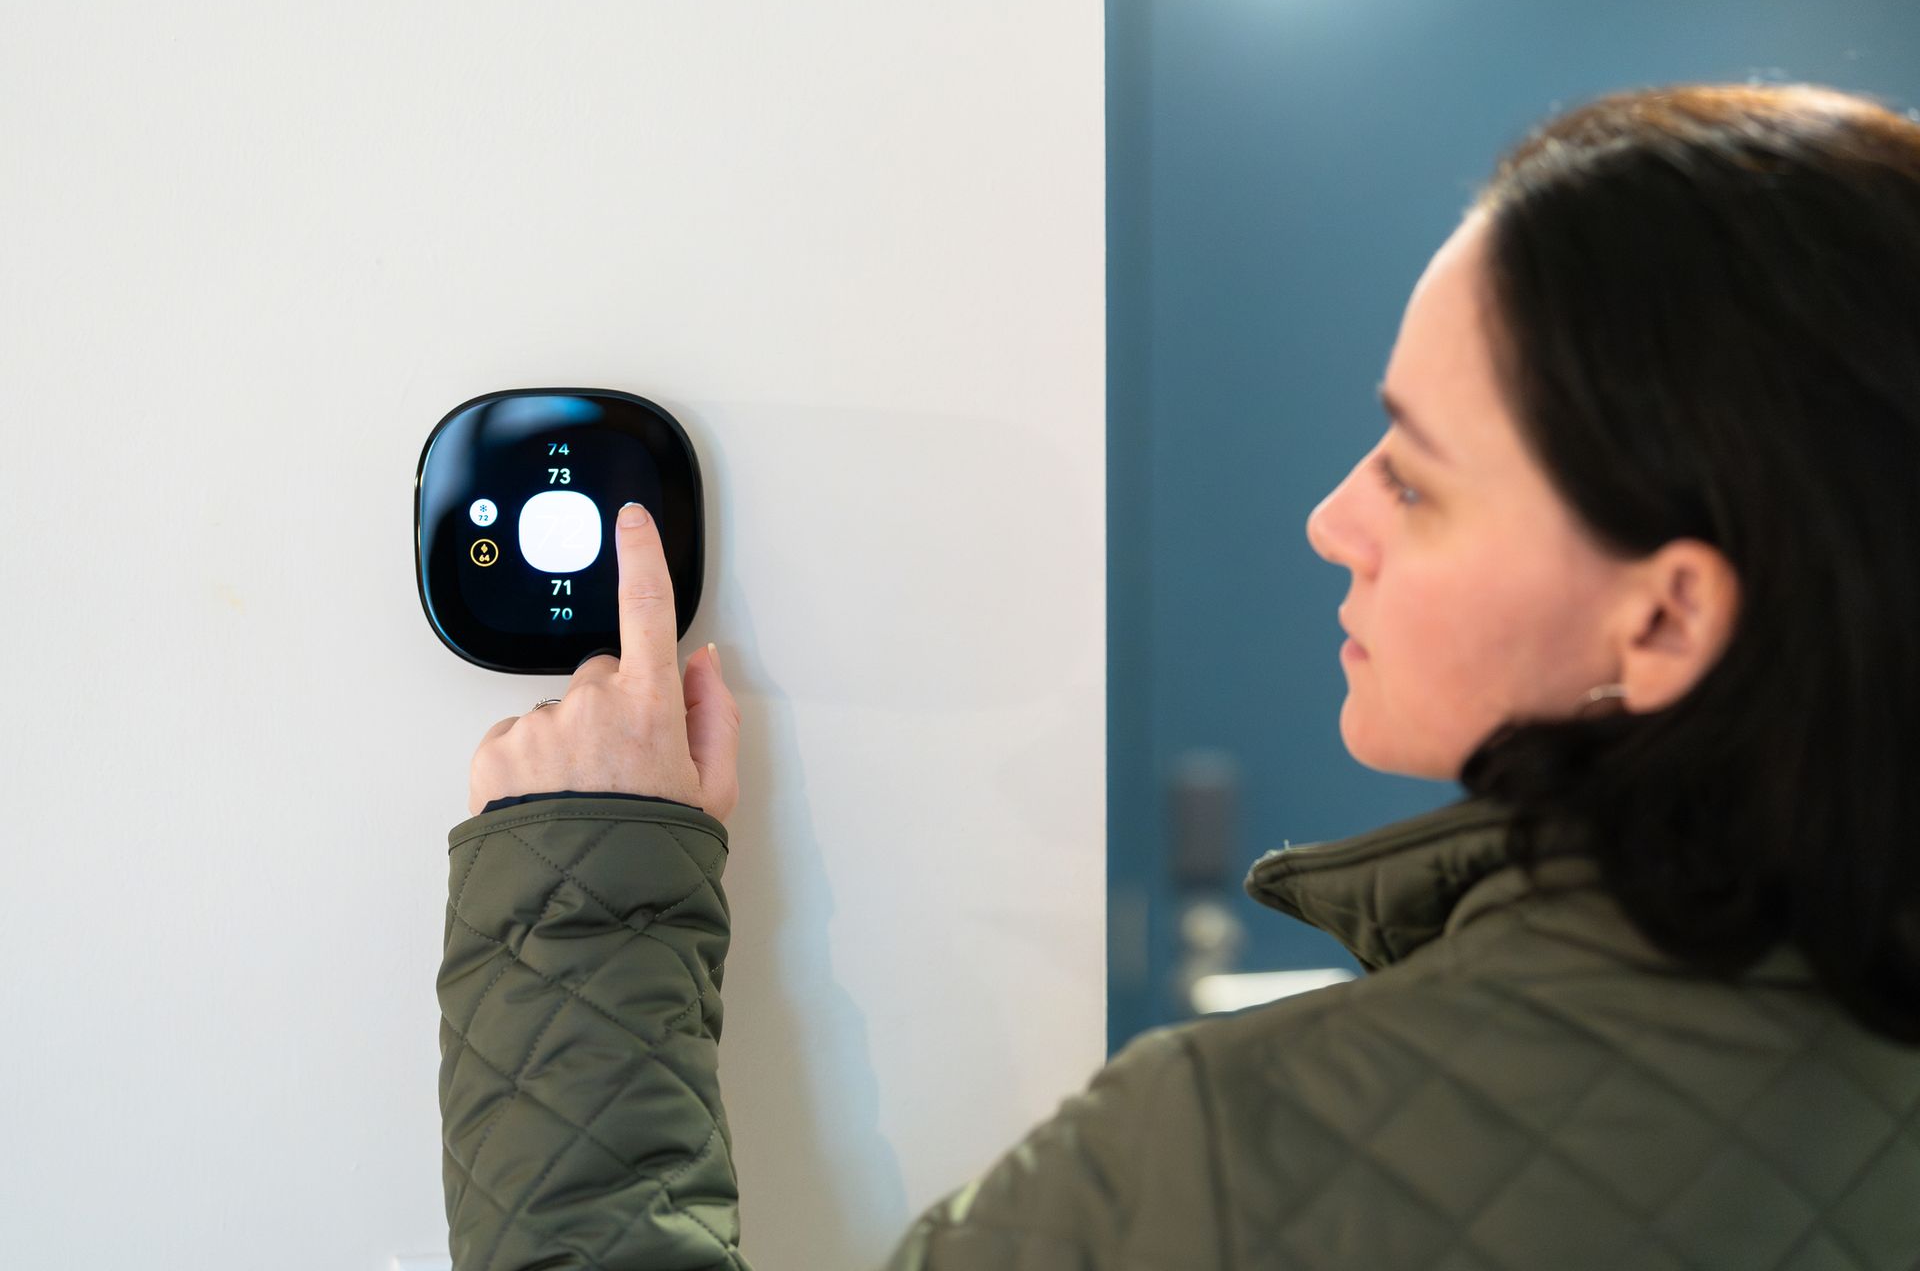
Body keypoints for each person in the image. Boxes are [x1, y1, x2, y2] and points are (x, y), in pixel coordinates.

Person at [435, 80, 1920, 1270]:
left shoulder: (1226, 1162)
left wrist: (584, 909)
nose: (1333, 518)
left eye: (1415, 476)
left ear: (1665, 621)